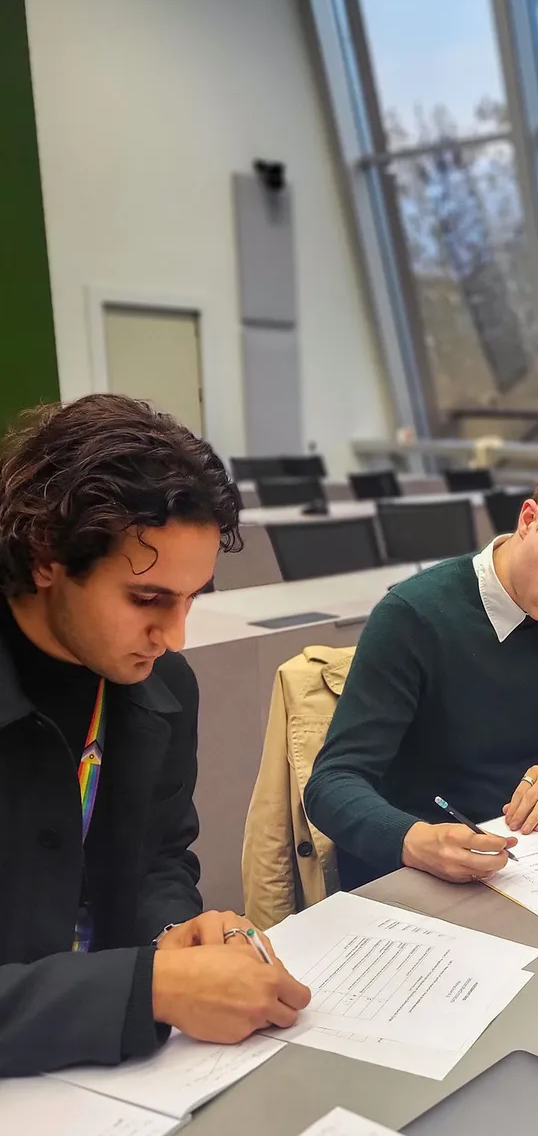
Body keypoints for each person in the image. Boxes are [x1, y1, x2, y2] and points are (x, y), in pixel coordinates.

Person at [0, 394, 310, 1078]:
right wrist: (153, 989)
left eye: (193, 597)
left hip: (102, 1079)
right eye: (147, 599)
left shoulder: (161, 690)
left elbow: (158, 856)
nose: (175, 637)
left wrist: (175, 934)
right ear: (47, 556)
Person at [304, 453, 538, 888]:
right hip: (411, 867)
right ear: (528, 519)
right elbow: (332, 784)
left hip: (520, 854)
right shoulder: (413, 616)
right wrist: (413, 840)